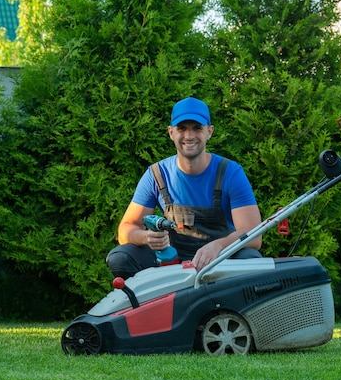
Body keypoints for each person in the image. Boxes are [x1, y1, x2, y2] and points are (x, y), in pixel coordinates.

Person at [106, 97, 262, 279]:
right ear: (171, 132)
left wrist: (219, 246)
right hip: (171, 262)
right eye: (182, 129)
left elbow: (253, 235)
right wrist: (146, 237)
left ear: (209, 132)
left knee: (250, 258)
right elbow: (125, 229)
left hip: (219, 260)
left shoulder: (230, 173)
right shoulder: (156, 175)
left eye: (197, 128)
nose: (189, 136)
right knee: (120, 258)